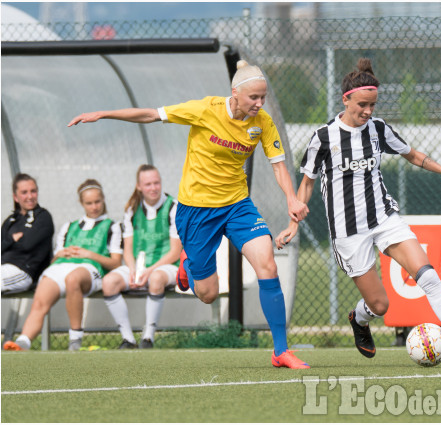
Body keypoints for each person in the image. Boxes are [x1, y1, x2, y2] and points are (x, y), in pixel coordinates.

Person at [67, 60, 310, 368]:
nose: (259, 104)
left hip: (237, 206)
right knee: (207, 293)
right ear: (235, 93)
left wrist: (290, 198)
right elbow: (151, 114)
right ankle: (188, 264)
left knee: (267, 264)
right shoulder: (205, 109)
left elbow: (277, 164)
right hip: (196, 211)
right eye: (254, 98)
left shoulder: (261, 121)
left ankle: (280, 350)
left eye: (263, 98)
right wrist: (104, 114)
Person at [275, 58, 441, 366]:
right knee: (380, 305)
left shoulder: (378, 129)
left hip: (384, 218)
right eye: (362, 105)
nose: (368, 111)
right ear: (346, 99)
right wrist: (293, 223)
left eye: (373, 105)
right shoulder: (323, 138)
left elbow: (413, 155)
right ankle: (360, 319)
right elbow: (307, 185)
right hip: (348, 232)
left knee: (428, 276)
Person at [3, 179, 123, 351]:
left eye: (97, 201)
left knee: (72, 279)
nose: (94, 206)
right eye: (89, 203)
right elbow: (54, 260)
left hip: (90, 270)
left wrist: (88, 254)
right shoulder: (69, 227)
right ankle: (23, 341)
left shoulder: (113, 226)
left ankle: (75, 340)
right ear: (81, 203)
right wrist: (60, 254)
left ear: (103, 200)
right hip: (62, 266)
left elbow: (116, 263)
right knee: (42, 294)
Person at [102, 165, 182, 349]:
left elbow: (175, 252)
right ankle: (128, 339)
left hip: (167, 266)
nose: (153, 188)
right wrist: (132, 270)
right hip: (139, 267)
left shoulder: (174, 207)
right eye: (148, 184)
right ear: (139, 186)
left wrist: (147, 271)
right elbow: (128, 249)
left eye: (156, 183)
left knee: (156, 278)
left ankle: (148, 338)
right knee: (109, 282)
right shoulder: (132, 209)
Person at [2, 173, 54, 294]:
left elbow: (27, 244)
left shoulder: (43, 217)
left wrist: (7, 242)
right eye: (24, 192)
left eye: (33, 191)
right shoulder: (11, 220)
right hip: (4, 268)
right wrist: (11, 239)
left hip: (24, 273)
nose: (30, 196)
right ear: (15, 197)